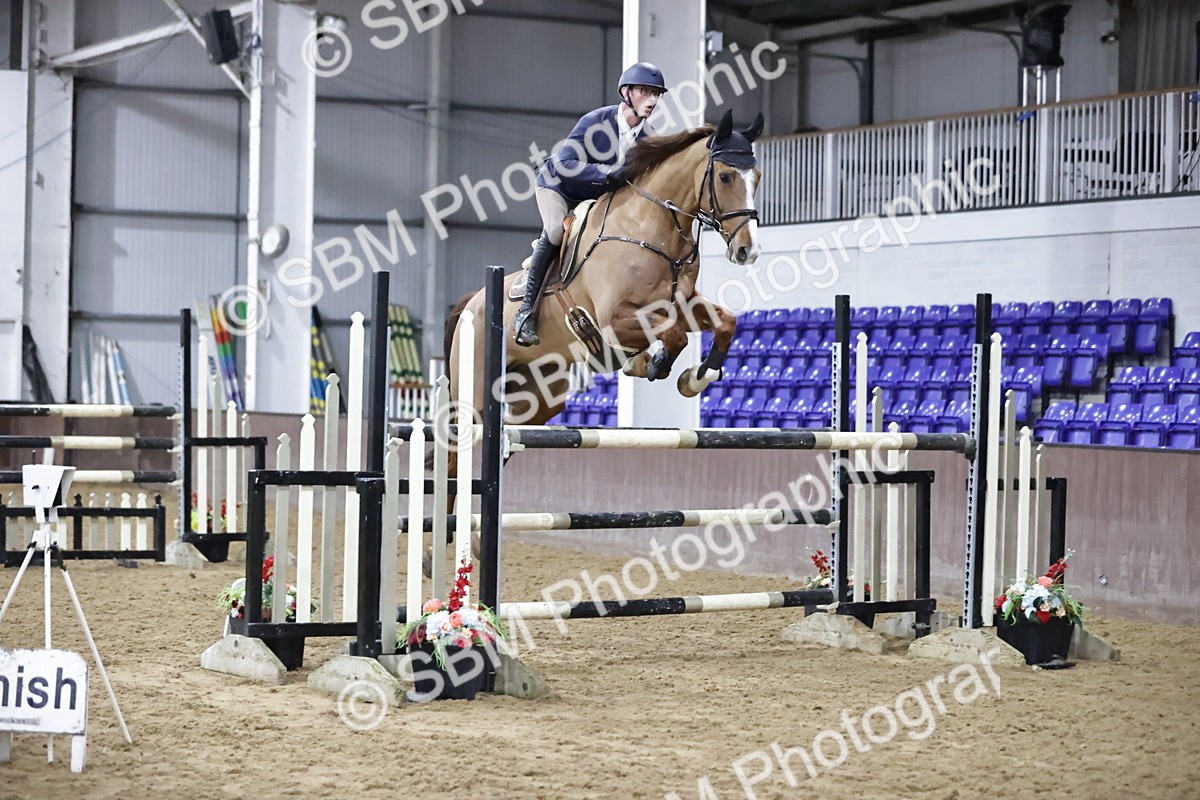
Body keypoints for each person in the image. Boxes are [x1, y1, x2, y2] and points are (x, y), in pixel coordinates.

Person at [512, 62, 669, 347]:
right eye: (645, 92)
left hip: (595, 199)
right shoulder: (595, 121)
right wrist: (606, 173)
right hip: (558, 186)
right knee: (557, 231)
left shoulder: (650, 141)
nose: (652, 100)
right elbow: (565, 163)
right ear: (626, 92)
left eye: (656, 94)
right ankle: (526, 312)